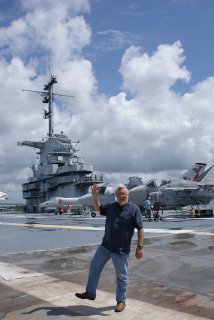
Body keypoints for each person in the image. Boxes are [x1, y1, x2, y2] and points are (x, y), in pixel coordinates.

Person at [75, 183, 144, 313]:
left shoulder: (134, 209)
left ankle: (121, 301)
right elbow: (98, 208)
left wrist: (139, 247)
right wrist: (95, 196)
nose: (121, 196)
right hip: (105, 246)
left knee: (121, 276)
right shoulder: (112, 207)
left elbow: (140, 228)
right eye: (118, 194)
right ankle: (90, 292)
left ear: (127, 195)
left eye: (123, 194)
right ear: (116, 196)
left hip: (121, 250)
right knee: (94, 266)